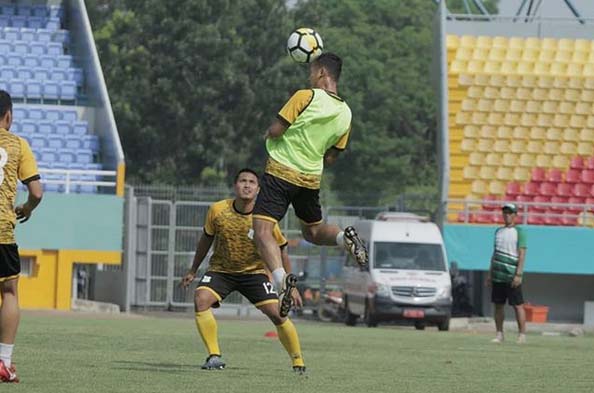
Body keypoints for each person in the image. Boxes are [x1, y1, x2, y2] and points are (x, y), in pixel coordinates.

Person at [252, 52, 368, 317]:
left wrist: (268, 132)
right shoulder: (346, 113)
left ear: (321, 74)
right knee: (313, 232)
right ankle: (343, 238)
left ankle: (281, 281)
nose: (309, 77)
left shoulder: (305, 96)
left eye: (311, 72)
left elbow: (277, 130)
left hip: (281, 170)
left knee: (262, 231)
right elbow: (332, 156)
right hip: (310, 178)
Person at [180, 168, 306, 373]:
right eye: (242, 181)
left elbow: (282, 249)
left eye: (252, 182)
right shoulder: (218, 210)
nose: (247, 185)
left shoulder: (264, 218)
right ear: (235, 186)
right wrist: (193, 269)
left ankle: (298, 362)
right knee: (201, 299)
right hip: (221, 271)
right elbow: (205, 240)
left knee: (278, 315)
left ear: (258, 189)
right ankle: (214, 355)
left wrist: (289, 286)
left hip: (254, 274)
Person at [0, 90, 43, 383]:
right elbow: (36, 191)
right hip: (2, 230)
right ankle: (3, 362)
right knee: (9, 293)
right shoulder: (17, 145)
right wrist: (26, 208)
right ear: (8, 115)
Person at [486, 203, 527, 344]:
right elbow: (494, 253)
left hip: (512, 275)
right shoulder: (498, 231)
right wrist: (490, 274)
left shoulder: (519, 231)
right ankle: (499, 334)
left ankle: (522, 335)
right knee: (498, 305)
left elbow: (522, 254)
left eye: (510, 213)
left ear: (515, 215)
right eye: (505, 213)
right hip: (498, 275)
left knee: (518, 305)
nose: (507, 215)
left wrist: (518, 274)